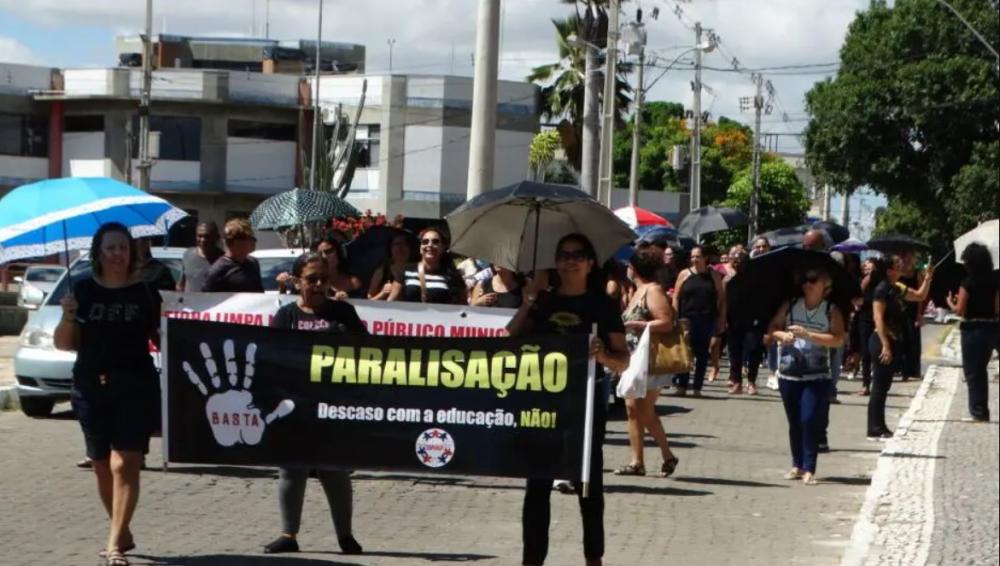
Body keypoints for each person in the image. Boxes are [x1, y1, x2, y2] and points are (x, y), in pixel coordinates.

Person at [506, 233, 628, 566]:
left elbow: (623, 360)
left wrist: (602, 355)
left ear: (591, 264)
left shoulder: (602, 305)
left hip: (584, 408)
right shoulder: (543, 302)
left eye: (577, 255)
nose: (569, 261)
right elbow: (509, 339)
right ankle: (532, 559)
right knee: (537, 488)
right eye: (563, 255)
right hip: (542, 407)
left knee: (589, 489)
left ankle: (593, 557)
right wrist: (528, 300)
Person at [54, 222, 163, 565]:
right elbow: (64, 344)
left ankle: (114, 544)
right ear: (99, 253)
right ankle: (122, 527)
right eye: (111, 248)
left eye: (123, 247)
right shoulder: (82, 291)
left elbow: (162, 337)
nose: (118, 254)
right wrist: (68, 317)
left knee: (125, 461)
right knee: (102, 463)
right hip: (90, 386)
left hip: (135, 385)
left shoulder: (145, 292)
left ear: (131, 252)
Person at [263, 252, 365, 556]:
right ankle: (288, 534)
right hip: (294, 406)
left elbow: (368, 351)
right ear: (297, 281)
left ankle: (345, 536)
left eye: (323, 279)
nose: (319, 285)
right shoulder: (286, 317)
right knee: (291, 470)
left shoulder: (343, 313)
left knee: (335, 471)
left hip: (333, 405)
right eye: (311, 279)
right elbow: (272, 358)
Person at [766, 267, 846, 485]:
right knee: (794, 422)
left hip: (817, 375)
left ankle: (810, 467)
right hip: (789, 373)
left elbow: (838, 339)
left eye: (813, 280)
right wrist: (783, 335)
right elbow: (772, 327)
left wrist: (809, 335)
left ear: (825, 286)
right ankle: (797, 464)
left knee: (808, 419)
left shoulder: (831, 310)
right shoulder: (791, 305)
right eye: (805, 280)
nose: (807, 284)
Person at [613, 250, 680, 478]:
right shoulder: (636, 291)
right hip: (633, 358)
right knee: (636, 409)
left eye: (630, 266)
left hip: (648, 359)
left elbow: (666, 322)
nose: (627, 270)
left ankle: (646, 459)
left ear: (636, 267)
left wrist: (640, 325)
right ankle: (653, 457)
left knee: (640, 409)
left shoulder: (653, 290)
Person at [867, 254, 933, 440]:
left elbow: (919, 295)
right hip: (881, 340)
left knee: (884, 385)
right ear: (889, 271)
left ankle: (880, 426)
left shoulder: (897, 288)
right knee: (879, 386)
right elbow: (878, 318)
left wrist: (927, 279)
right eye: (897, 264)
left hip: (893, 339)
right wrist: (886, 345)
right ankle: (874, 428)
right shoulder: (881, 290)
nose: (901, 265)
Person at [947, 243, 998, 422]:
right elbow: (997, 308)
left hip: (972, 330)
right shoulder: (994, 281)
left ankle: (979, 411)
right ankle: (980, 411)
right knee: (982, 367)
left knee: (975, 372)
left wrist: (951, 303)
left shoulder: (967, 282)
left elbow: (960, 310)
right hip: (992, 328)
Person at [672, 245, 725, 397]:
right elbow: (676, 296)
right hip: (687, 318)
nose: (694, 259)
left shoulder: (713, 275)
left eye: (698, 256)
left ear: (705, 258)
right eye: (693, 256)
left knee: (702, 353)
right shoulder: (684, 274)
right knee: (685, 352)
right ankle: (681, 386)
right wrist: (675, 316)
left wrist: (721, 318)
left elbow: (721, 298)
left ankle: (697, 387)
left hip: (706, 318)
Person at [388, 226, 467, 305]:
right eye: (425, 242)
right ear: (420, 248)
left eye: (435, 242)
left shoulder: (453, 276)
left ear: (443, 247)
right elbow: (392, 302)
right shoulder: (406, 271)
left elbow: (462, 308)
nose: (429, 245)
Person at [725, 249, 764, 395]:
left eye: (740, 259)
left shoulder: (756, 278)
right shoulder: (728, 279)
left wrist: (761, 319)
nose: (737, 262)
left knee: (754, 350)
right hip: (734, 320)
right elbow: (723, 301)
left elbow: (762, 301)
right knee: (735, 353)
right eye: (735, 260)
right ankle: (736, 382)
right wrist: (723, 318)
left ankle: (752, 382)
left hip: (753, 320)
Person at [202, 218, 264, 293]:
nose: (254, 241)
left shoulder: (253, 263)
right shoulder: (217, 270)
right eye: (250, 238)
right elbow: (207, 299)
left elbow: (260, 294)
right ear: (236, 242)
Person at [899, 252, 926, 381]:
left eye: (909, 258)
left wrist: (919, 314)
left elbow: (921, 297)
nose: (906, 260)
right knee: (900, 340)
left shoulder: (917, 274)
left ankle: (912, 370)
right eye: (904, 257)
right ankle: (900, 370)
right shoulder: (897, 273)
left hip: (912, 310)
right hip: (898, 310)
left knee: (913, 341)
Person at [177, 221, 223, 292]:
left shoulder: (223, 260)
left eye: (207, 236)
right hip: (189, 302)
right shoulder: (188, 254)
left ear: (216, 237)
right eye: (200, 236)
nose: (203, 240)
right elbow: (181, 284)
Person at [855, 258, 878, 396]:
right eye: (865, 266)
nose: (866, 266)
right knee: (866, 352)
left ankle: (878, 382)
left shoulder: (882, 282)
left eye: (870, 264)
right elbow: (858, 294)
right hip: (865, 319)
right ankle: (866, 384)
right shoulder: (863, 280)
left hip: (879, 319)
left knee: (877, 352)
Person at [367, 231, 413, 300]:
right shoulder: (382, 271)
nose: (400, 248)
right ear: (390, 248)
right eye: (397, 244)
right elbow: (369, 301)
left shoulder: (418, 270)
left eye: (405, 244)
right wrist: (382, 294)